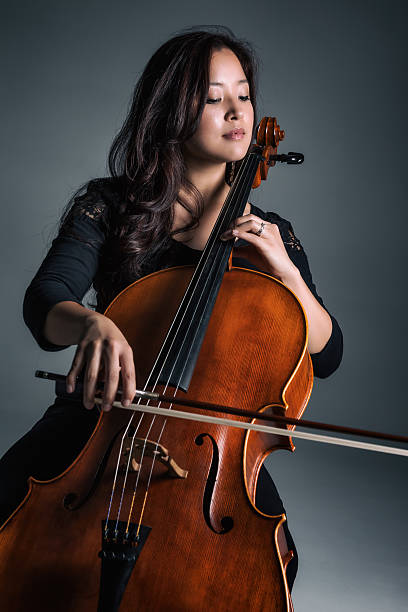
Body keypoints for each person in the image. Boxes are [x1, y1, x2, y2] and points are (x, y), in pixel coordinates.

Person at [0, 27, 342, 596]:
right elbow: (46, 302)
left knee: (270, 566)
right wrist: (91, 322)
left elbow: (327, 355)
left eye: (244, 94)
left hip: (211, 460)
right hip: (101, 426)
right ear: (174, 111)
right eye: (214, 98)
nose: (238, 112)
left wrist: (285, 273)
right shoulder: (109, 206)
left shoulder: (270, 236)